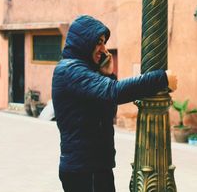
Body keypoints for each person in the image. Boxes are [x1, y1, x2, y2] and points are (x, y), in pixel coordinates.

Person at [52, 15, 177, 192]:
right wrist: (162, 78)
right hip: (84, 171)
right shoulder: (70, 70)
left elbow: (107, 111)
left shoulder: (84, 72)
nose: (104, 49)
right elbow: (114, 92)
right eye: (99, 42)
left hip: (95, 167)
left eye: (103, 43)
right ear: (83, 41)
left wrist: (107, 74)